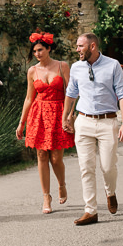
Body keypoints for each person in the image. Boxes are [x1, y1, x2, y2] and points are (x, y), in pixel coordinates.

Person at [62, 33, 123, 226]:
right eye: (77, 46)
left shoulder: (113, 65)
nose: (77, 49)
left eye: (80, 46)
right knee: (86, 167)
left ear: (92, 46)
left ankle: (110, 192)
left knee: (108, 167)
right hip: (83, 121)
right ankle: (90, 210)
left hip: (107, 122)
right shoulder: (76, 67)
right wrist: (65, 117)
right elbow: (71, 93)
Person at [16, 31, 74, 214]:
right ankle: (46, 197)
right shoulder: (32, 71)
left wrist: (70, 115)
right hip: (39, 114)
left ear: (49, 48)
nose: (37, 54)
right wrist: (21, 123)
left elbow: (71, 93)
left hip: (58, 113)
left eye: (40, 50)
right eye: (34, 51)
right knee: (41, 156)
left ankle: (62, 184)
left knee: (56, 158)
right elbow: (28, 98)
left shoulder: (62, 66)